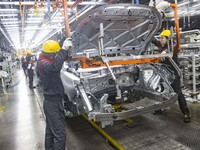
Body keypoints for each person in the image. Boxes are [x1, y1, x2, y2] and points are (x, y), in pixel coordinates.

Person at [37, 38, 72, 150]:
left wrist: (63, 47)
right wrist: (63, 49)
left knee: (50, 132)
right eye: (55, 54)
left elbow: (57, 62)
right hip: (52, 104)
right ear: (50, 54)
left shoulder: (44, 59)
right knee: (60, 134)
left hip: (52, 102)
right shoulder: (43, 64)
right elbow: (55, 67)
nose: (56, 56)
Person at [152, 30, 191, 123]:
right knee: (162, 91)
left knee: (178, 93)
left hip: (173, 74)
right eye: (160, 38)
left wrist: (162, 54)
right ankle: (161, 108)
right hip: (163, 73)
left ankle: (186, 113)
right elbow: (154, 40)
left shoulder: (172, 46)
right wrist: (147, 32)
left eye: (162, 38)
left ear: (168, 39)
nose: (160, 40)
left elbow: (168, 51)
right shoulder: (161, 44)